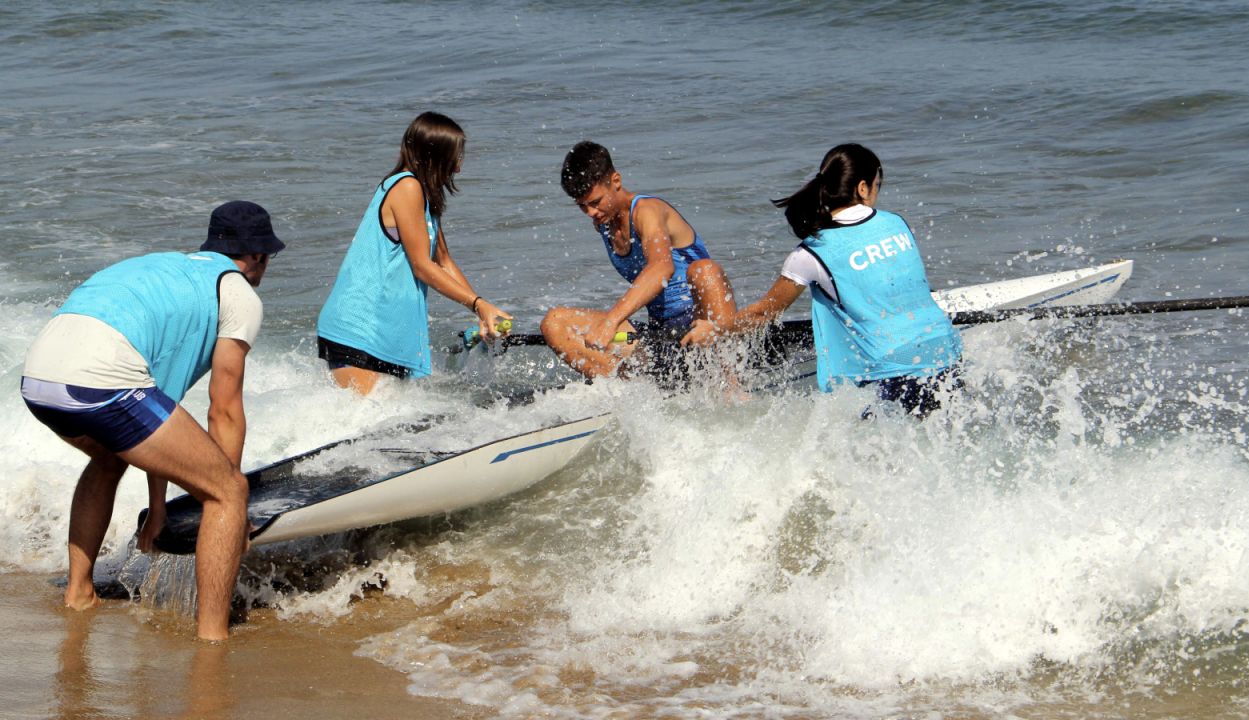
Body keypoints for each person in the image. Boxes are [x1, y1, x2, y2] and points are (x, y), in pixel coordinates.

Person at [20, 200, 283, 640]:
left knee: (110, 456)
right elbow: (223, 409)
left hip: (40, 380)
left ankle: (79, 592)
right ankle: (213, 638)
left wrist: (159, 509)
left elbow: (154, 420)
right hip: (100, 381)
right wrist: (226, 499)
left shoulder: (164, 268)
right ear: (259, 255)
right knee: (229, 491)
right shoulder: (238, 293)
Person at [684, 144, 962, 415]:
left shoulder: (811, 252)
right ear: (862, 188)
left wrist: (716, 329)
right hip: (945, 350)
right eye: (877, 185)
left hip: (890, 368)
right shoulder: (897, 222)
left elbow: (765, 313)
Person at [317, 111, 511, 394]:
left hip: (388, 333)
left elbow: (442, 261)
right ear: (433, 156)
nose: (458, 168)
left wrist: (482, 314)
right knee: (371, 417)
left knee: (392, 414)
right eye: (454, 158)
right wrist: (477, 303)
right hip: (359, 329)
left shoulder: (427, 198)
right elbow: (422, 265)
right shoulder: (407, 187)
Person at [541, 141, 736, 380]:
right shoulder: (604, 223)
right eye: (582, 206)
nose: (591, 212)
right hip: (660, 331)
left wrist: (611, 322)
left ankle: (731, 384)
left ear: (616, 181)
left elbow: (662, 267)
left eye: (595, 202)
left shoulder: (647, 211)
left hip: (704, 320)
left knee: (705, 269)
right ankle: (622, 388)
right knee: (554, 322)